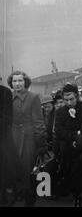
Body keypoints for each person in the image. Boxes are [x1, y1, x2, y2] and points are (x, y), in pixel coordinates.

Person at [55, 83, 82, 207]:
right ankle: (76, 197)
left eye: (71, 99)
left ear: (77, 96)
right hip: (69, 149)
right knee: (72, 175)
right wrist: (74, 137)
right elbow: (59, 131)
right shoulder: (60, 112)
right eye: (66, 100)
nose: (69, 102)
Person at [8, 71, 47, 206]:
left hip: (28, 139)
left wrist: (41, 143)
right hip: (12, 138)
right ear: (11, 83)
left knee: (28, 170)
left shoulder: (33, 97)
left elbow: (39, 122)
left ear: (25, 82)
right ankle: (16, 195)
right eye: (14, 81)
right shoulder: (8, 97)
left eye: (20, 81)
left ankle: (30, 199)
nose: (17, 84)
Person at [0, 84, 20, 206]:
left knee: (6, 165)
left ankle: (9, 192)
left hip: (3, 136)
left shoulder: (5, 92)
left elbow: (7, 117)